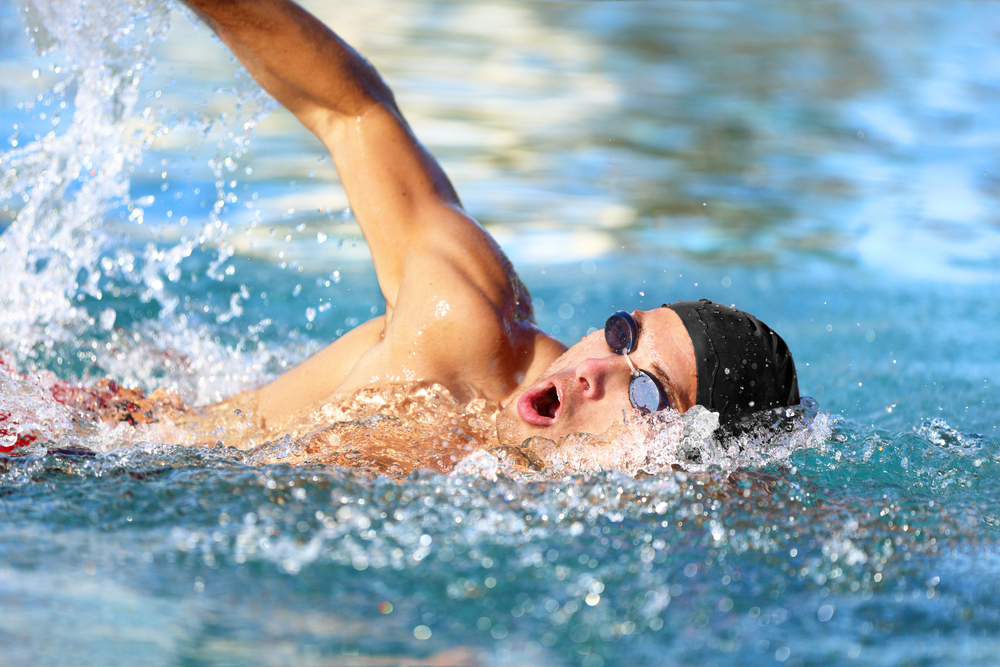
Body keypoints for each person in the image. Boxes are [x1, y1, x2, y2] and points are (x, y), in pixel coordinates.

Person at [174, 0, 799, 453]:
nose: (595, 370)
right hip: (122, 449)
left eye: (648, 394)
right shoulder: (460, 332)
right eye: (620, 335)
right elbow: (352, 110)